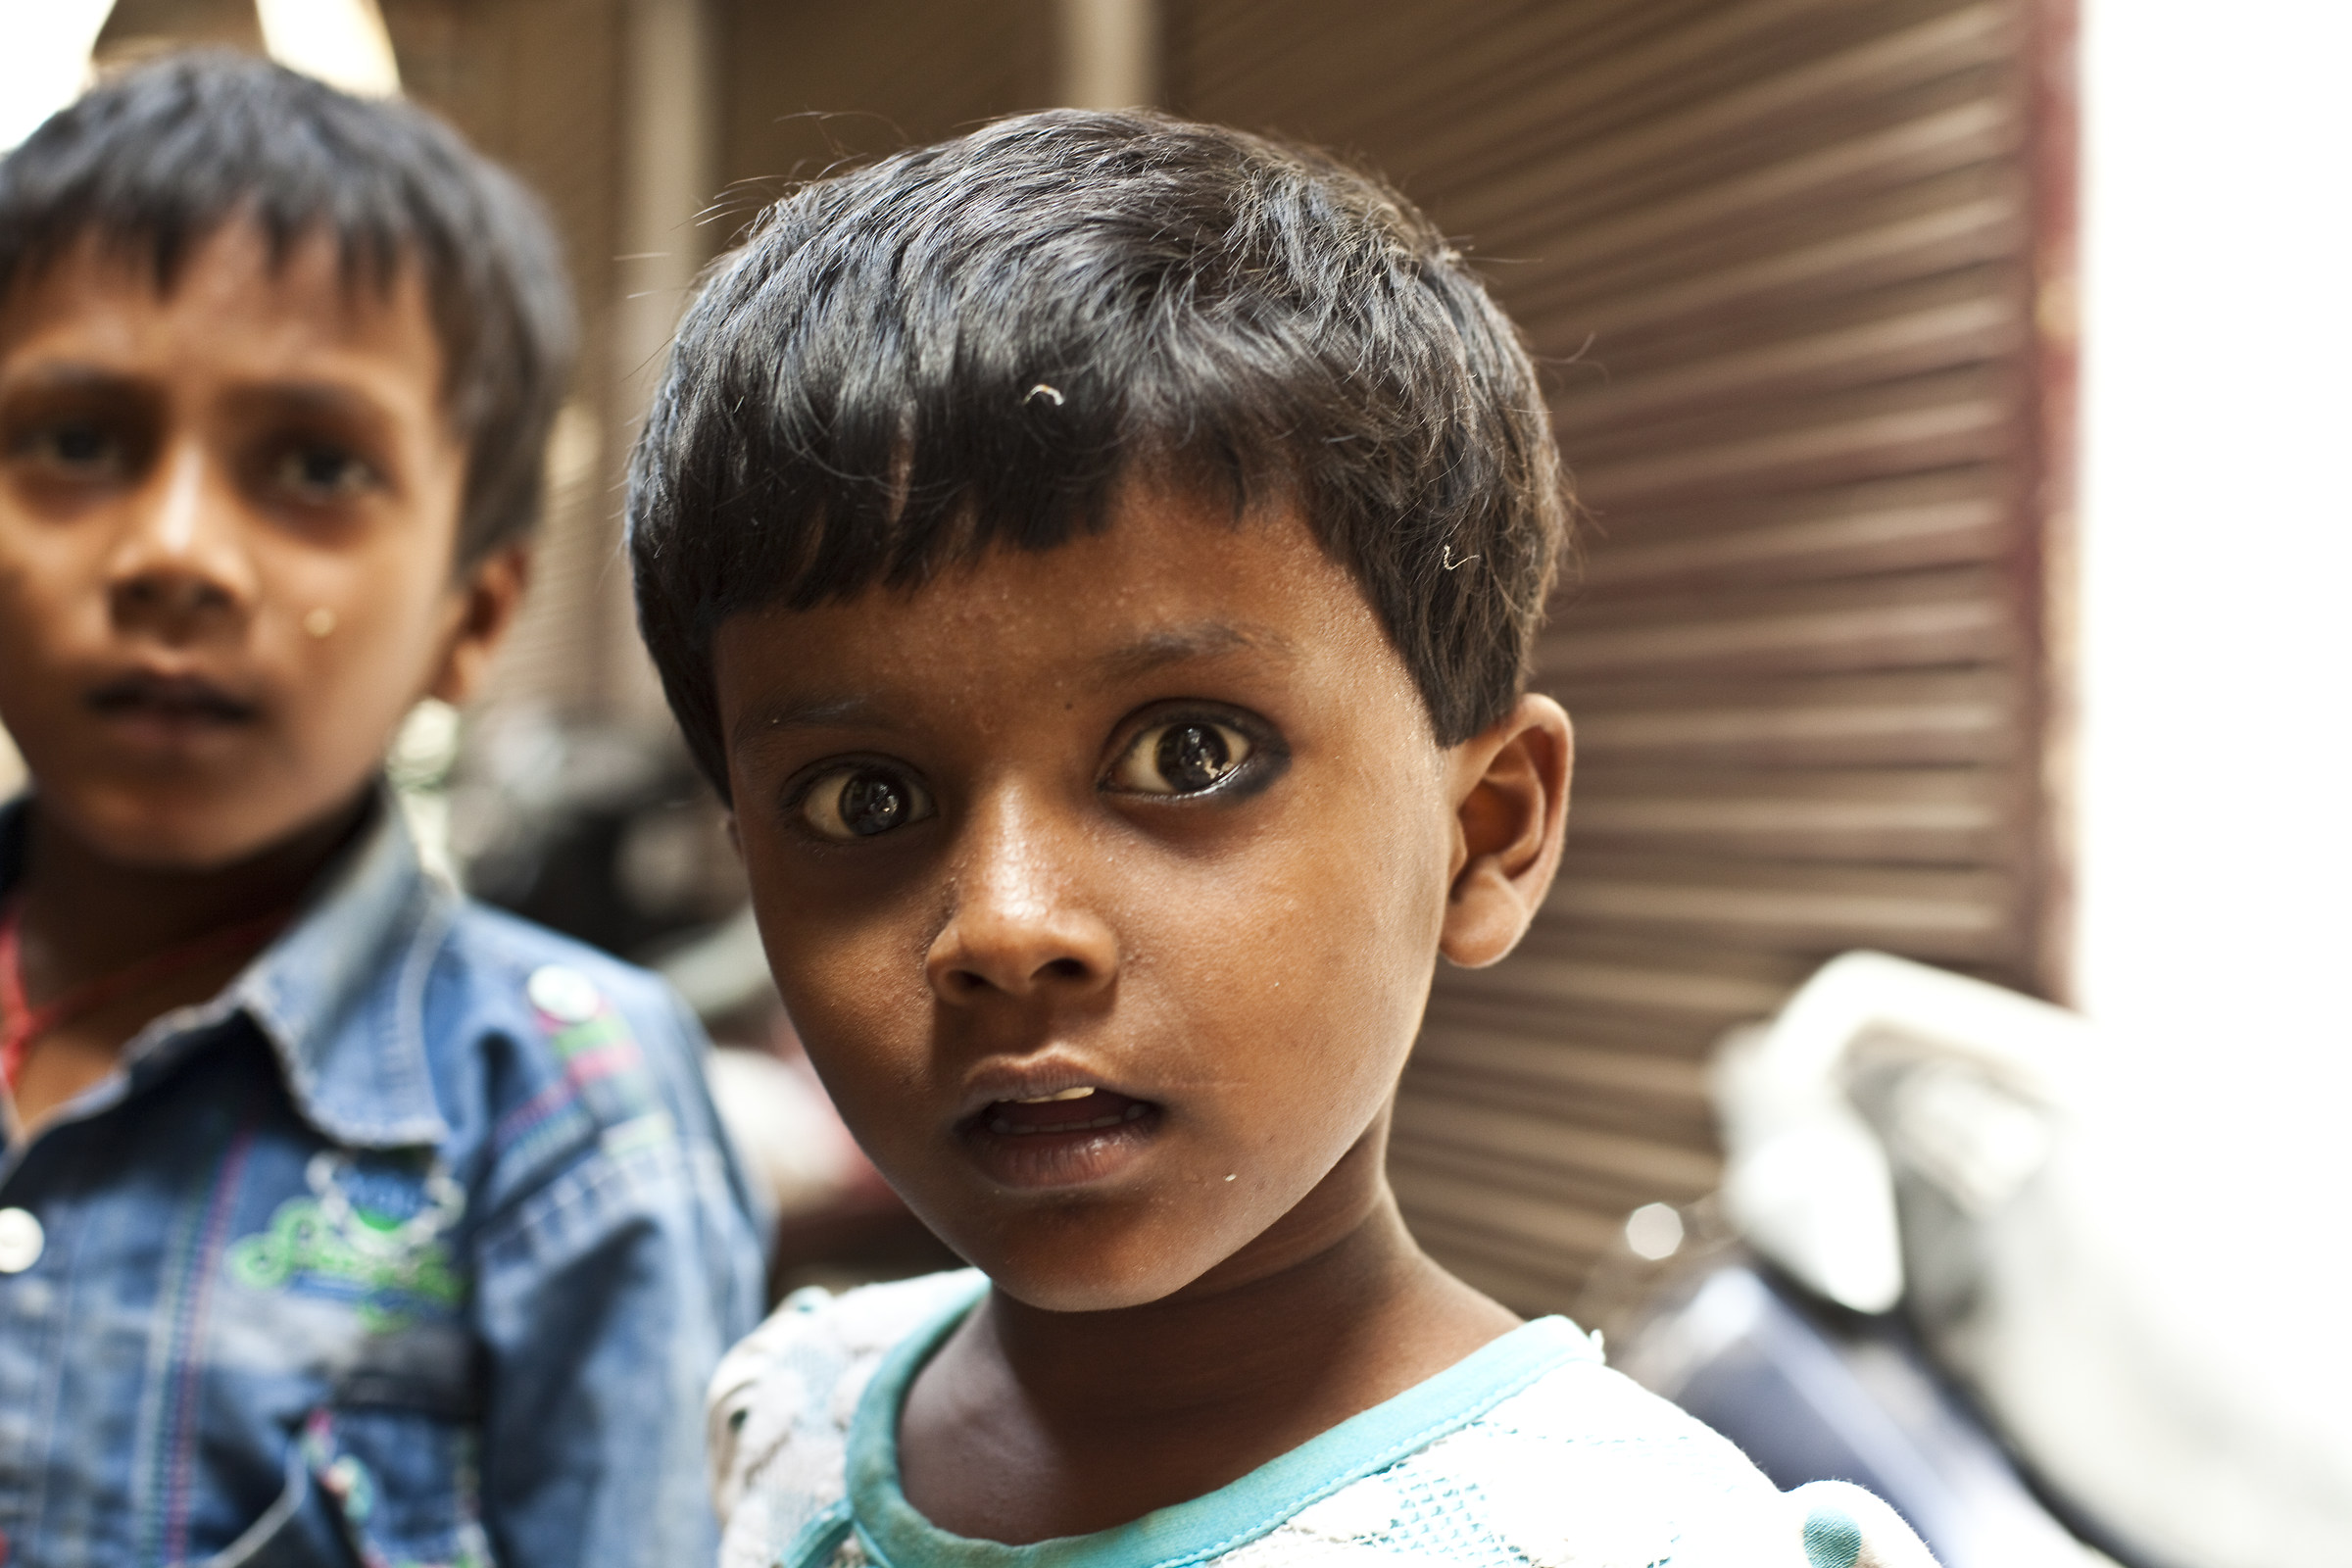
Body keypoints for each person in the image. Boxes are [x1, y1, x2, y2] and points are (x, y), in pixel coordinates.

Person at [627, 111, 1938, 1568]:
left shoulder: (1632, 1544)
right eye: (861, 800)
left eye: (1189, 755)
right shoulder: (786, 1415)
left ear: (1484, 835)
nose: (1003, 927)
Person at [0, 53, 765, 1567]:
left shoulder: (562, 1105)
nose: (175, 555)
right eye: (79, 441)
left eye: (313, 465)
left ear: (470, 620)